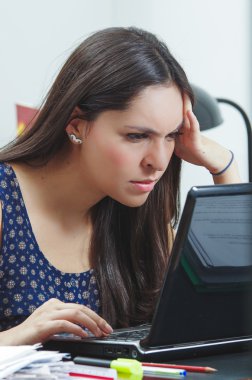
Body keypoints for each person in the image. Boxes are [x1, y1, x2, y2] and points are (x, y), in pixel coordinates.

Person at [0, 27, 240, 345]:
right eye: (137, 136)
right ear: (76, 126)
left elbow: (221, 321)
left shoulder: (140, 209)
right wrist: (15, 338)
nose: (158, 161)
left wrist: (226, 168)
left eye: (171, 136)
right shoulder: (6, 204)